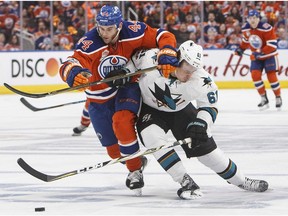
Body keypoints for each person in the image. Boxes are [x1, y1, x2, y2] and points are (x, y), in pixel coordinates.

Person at [119, 40, 268, 198]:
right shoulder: (151, 58)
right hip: (151, 110)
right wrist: (123, 72)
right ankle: (184, 180)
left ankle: (241, 180)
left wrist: (201, 122)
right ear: (177, 59)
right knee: (152, 138)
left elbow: (210, 105)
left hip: (181, 111)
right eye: (187, 68)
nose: (190, 74)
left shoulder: (201, 79)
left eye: (194, 69)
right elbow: (134, 61)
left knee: (206, 152)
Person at [58, 4, 179, 196]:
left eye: (109, 29)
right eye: (101, 28)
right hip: (98, 99)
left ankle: (135, 172)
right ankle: (136, 161)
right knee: (114, 152)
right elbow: (71, 61)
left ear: (119, 26)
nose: (105, 33)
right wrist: (72, 72)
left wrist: (168, 50)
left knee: (121, 122)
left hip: (126, 87)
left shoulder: (133, 30)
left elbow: (162, 35)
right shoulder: (90, 42)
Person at [234, 9, 282, 110]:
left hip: (269, 56)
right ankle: (264, 98)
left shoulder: (266, 28)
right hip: (256, 57)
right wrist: (240, 49)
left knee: (272, 78)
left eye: (255, 18)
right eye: (250, 18)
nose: (252, 20)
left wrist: (259, 52)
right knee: (255, 76)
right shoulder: (245, 29)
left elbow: (272, 45)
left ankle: (278, 97)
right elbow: (246, 40)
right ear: (247, 19)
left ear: (259, 19)